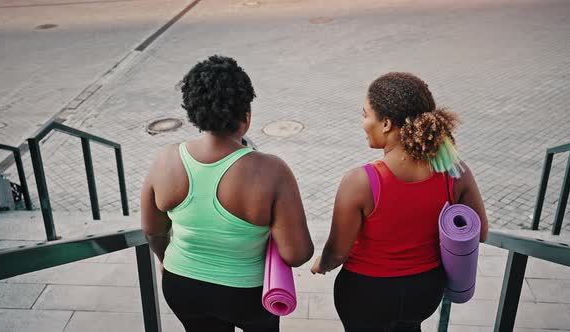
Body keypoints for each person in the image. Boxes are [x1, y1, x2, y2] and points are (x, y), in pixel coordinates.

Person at [141, 55, 314, 332]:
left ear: (193, 113)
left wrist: (165, 260)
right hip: (248, 295)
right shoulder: (271, 171)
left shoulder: (166, 159)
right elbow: (297, 254)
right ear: (246, 116)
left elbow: (152, 231)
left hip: (182, 285)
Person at [311, 72, 489, 331]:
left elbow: (338, 252)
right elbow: (480, 232)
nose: (362, 122)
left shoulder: (360, 182)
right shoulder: (455, 171)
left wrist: (322, 264)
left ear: (385, 123)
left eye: (365, 114)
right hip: (424, 293)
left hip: (366, 295)